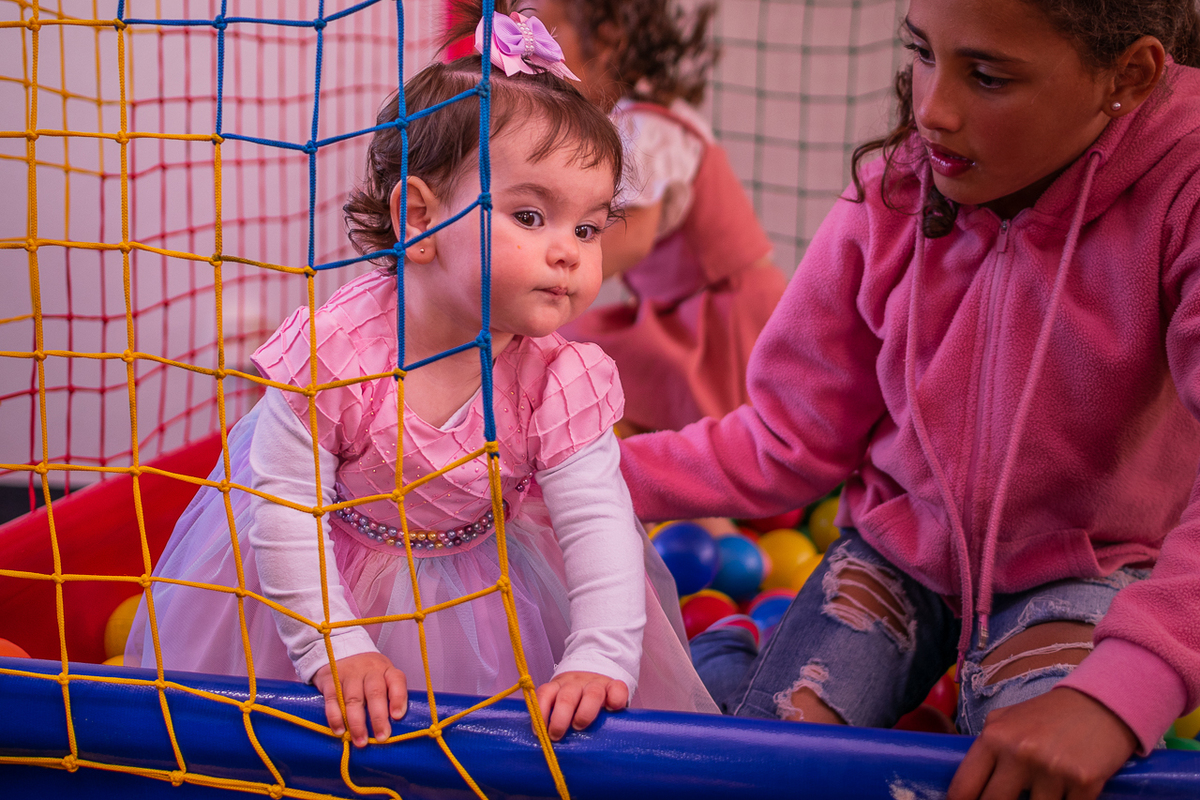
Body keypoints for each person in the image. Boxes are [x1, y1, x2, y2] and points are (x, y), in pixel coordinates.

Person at [618, 0, 1200, 797]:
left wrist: (1124, 687)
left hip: (1088, 568)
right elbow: (790, 437)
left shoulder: (1184, 189)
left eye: (988, 75)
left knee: (1034, 772)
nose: (933, 109)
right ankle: (732, 665)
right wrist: (585, 474)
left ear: (1128, 76)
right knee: (775, 764)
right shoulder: (894, 194)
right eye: (921, 53)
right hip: (898, 553)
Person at [125, 1, 717, 751]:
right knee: (289, 751)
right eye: (532, 217)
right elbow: (283, 507)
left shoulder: (561, 377)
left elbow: (598, 520)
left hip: (485, 593)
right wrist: (334, 647)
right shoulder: (336, 352)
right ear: (418, 216)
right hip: (318, 587)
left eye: (589, 227)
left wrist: (599, 653)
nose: (570, 251)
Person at [523, 0, 788, 434]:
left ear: (605, 38)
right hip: (694, 310)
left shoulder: (643, 129)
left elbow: (631, 240)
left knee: (574, 367)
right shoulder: (641, 114)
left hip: (718, 321)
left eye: (544, 33)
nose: (532, 53)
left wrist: (537, 272)